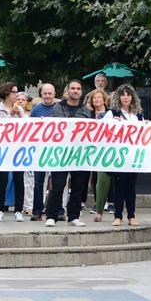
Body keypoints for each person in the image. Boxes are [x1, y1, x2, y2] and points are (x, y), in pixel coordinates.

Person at [45, 80, 92, 228]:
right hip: (61, 153)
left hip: (80, 153)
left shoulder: (86, 110)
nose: (75, 91)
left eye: (78, 88)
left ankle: (74, 216)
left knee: (78, 186)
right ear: (68, 91)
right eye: (73, 88)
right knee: (58, 185)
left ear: (81, 91)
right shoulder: (57, 108)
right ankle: (52, 216)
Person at [108, 85, 144, 227]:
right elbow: (102, 129)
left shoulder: (138, 115)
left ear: (132, 97)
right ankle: (118, 216)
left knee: (131, 186)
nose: (125, 97)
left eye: (128, 95)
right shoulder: (112, 113)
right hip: (118, 156)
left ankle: (131, 215)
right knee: (119, 186)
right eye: (123, 95)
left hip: (133, 156)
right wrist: (112, 123)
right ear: (119, 97)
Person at [0, 82, 26, 222]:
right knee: (3, 179)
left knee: (19, 179)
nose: (16, 95)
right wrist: (11, 115)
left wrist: (20, 116)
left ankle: (19, 209)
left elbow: (25, 126)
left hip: (17, 147)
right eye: (14, 92)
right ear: (7, 93)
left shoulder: (20, 109)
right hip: (3, 148)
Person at [27, 83, 62, 221]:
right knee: (38, 183)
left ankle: (56, 210)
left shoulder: (60, 109)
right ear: (41, 95)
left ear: (54, 94)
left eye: (50, 93)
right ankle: (37, 211)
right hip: (39, 151)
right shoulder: (35, 110)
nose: (47, 96)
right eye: (45, 93)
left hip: (55, 150)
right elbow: (30, 129)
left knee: (57, 182)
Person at [85, 88, 112, 222]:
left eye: (99, 97)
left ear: (104, 99)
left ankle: (110, 202)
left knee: (106, 176)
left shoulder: (111, 114)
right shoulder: (87, 114)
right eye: (94, 98)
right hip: (91, 149)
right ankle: (98, 203)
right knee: (95, 178)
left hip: (106, 149)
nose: (96, 100)